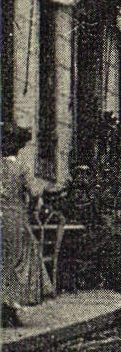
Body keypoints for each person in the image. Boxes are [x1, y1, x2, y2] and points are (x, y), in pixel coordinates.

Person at [1, 121, 51, 326]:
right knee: (18, 262)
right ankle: (9, 307)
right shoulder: (21, 167)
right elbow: (35, 192)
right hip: (14, 219)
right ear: (19, 146)